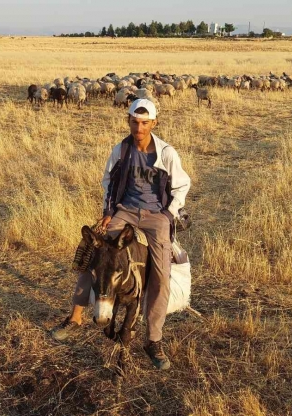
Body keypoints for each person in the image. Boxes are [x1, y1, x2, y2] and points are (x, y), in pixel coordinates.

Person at [51, 98, 191, 370]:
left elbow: (182, 186)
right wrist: (108, 211)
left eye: (144, 123)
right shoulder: (121, 150)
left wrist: (168, 214)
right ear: (128, 121)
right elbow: (108, 182)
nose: (139, 128)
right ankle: (76, 317)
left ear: (154, 124)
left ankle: (153, 339)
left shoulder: (166, 153)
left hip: (155, 216)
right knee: (93, 254)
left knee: (161, 275)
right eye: (135, 122)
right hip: (125, 210)